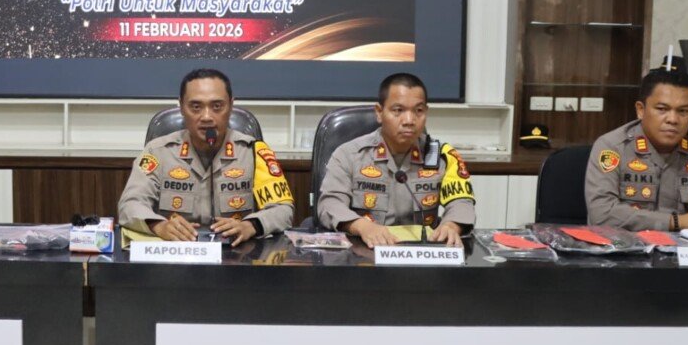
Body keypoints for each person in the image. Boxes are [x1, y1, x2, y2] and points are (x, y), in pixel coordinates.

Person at [118, 68, 294, 246]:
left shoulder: (253, 152)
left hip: (237, 254)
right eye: (196, 107)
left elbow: (283, 209)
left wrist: (251, 225)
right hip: (176, 253)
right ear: (181, 107)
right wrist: (159, 226)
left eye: (217, 106)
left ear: (231, 106)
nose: (207, 117)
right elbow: (130, 204)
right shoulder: (158, 152)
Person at [585, 64, 688, 244]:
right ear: (640, 110)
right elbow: (602, 213)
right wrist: (676, 222)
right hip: (625, 251)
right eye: (662, 109)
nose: (673, 119)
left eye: (683, 111)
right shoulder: (612, 147)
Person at [317, 73, 475, 247]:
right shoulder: (349, 154)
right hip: (366, 251)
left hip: (423, 252)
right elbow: (330, 204)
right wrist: (362, 227)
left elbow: (461, 202)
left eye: (418, 111)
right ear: (379, 112)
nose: (409, 120)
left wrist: (451, 226)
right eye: (398, 110)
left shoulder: (443, 157)